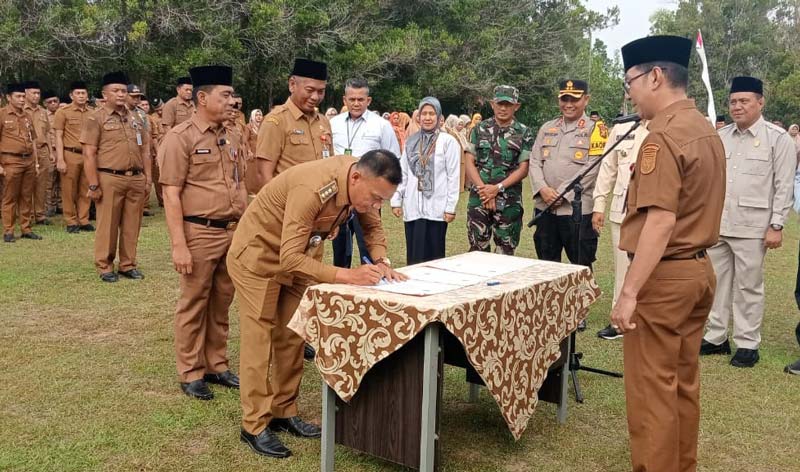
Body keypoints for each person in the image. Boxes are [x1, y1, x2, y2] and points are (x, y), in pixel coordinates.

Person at [229, 151, 405, 458]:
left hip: (300, 262)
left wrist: (381, 260)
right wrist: (346, 276)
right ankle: (254, 425)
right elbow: (288, 256)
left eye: (383, 201)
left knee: (292, 336)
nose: (376, 206)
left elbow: (373, 227)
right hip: (259, 260)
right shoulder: (313, 188)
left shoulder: (362, 188)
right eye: (376, 198)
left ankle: (284, 412)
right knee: (259, 340)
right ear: (355, 178)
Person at [611, 35, 725, 472]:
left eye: (631, 82)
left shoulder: (662, 138)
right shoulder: (703, 129)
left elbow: (659, 222)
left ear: (655, 77)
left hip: (665, 278)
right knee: (681, 384)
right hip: (697, 272)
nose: (630, 93)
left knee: (651, 392)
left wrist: (628, 292)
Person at [158, 65, 247, 400]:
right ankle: (191, 371)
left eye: (232, 94)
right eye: (225, 95)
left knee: (222, 300)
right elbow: (170, 193)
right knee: (194, 301)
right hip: (199, 232)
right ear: (202, 97)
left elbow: (240, 183)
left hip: (232, 231)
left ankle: (217, 364)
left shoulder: (232, 134)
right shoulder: (179, 138)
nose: (232, 101)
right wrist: (179, 246)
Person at [699, 76, 796, 368]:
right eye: (733, 102)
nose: (737, 107)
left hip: (754, 226)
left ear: (760, 102)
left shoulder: (777, 139)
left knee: (748, 287)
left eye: (744, 101)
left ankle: (747, 343)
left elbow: (783, 185)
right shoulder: (720, 136)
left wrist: (776, 225)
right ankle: (716, 337)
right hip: (720, 223)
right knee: (715, 283)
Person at [529, 79, 607, 269]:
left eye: (574, 99)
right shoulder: (547, 127)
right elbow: (534, 161)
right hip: (545, 208)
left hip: (576, 211)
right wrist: (543, 189)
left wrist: (562, 194)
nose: (568, 104)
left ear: (586, 99)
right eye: (564, 99)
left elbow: (593, 166)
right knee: (546, 266)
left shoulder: (596, 129)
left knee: (580, 267)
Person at [81, 71, 151, 283]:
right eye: (116, 91)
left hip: (135, 177)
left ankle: (128, 264)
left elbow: (146, 149)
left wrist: (148, 178)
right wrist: (93, 184)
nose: (121, 94)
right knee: (108, 224)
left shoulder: (137, 117)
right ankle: (105, 265)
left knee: (132, 224)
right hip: (109, 177)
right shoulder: (96, 118)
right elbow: (89, 153)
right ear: (105, 94)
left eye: (123, 90)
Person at [329, 77, 400, 268]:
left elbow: (393, 161)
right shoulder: (333, 124)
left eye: (361, 99)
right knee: (340, 248)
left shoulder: (381, 125)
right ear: (344, 100)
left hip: (368, 196)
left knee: (368, 244)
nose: (356, 103)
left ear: (368, 101)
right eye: (352, 99)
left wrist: (394, 198)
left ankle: (370, 284)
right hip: (340, 194)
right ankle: (341, 285)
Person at [592, 112, 650, 341]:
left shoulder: (669, 125)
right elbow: (608, 169)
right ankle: (619, 320)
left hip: (654, 210)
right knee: (622, 267)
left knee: (654, 266)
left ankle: (648, 319)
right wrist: (599, 205)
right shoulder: (623, 128)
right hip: (622, 209)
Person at [391, 97, 460, 264]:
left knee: (434, 256)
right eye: (424, 114)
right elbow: (403, 173)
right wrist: (396, 200)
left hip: (437, 207)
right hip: (414, 206)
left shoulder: (448, 142)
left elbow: (453, 176)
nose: (427, 118)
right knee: (414, 255)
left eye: (432, 114)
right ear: (418, 117)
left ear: (438, 117)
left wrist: (450, 207)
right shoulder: (411, 141)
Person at [465, 85, 532, 255]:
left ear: (516, 106)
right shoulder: (479, 130)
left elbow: (523, 168)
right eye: (499, 104)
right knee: (477, 251)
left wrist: (496, 188)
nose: (503, 108)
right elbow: (469, 161)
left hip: (509, 201)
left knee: (505, 252)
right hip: (479, 199)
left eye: (508, 105)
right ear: (492, 104)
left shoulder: (524, 133)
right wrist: (484, 191)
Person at [252, 58, 332, 189]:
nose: (315, 97)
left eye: (321, 91)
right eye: (310, 90)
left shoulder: (323, 122)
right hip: (288, 205)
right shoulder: (276, 121)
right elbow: (263, 175)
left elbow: (330, 165)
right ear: (292, 85)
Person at [1, 83, 41, 242]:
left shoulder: (27, 116)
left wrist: (36, 163)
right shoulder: (2, 114)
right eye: (18, 96)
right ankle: (8, 231)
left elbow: (33, 141)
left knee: (26, 196)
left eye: (23, 96)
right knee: (10, 197)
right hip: (10, 161)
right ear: (8, 97)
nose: (21, 99)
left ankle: (26, 228)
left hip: (29, 160)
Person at [54, 81, 93, 233]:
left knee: (86, 188)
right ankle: (71, 221)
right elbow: (58, 136)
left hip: (88, 155)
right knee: (69, 189)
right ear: (71, 95)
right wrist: (60, 159)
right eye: (78, 93)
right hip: (70, 154)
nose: (81, 96)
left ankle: (83, 219)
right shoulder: (63, 112)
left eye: (84, 93)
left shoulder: (92, 113)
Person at [22, 82, 53, 226]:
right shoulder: (21, 109)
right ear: (26, 93)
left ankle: (40, 215)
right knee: (27, 184)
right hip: (26, 151)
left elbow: (47, 132)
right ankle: (25, 215)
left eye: (38, 93)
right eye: (33, 93)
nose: (36, 96)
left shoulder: (42, 111)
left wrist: (51, 152)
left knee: (42, 184)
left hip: (43, 150)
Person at [125, 84, 153, 216]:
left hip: (139, 151)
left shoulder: (141, 114)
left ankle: (139, 210)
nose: (137, 100)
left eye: (138, 97)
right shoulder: (121, 112)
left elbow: (145, 135)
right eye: (133, 96)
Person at [43, 90, 61, 217]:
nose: (53, 104)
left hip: (62, 150)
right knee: (50, 180)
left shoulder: (63, 114)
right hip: (50, 150)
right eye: (50, 102)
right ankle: (49, 206)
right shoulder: (43, 115)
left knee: (62, 181)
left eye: (56, 101)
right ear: (45, 104)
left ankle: (60, 205)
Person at [444, 114, 469, 191]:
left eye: (462, 125)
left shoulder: (461, 133)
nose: (461, 126)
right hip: (455, 154)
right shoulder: (452, 133)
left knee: (461, 170)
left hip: (462, 153)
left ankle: (461, 187)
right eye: (459, 124)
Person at [243, 108, 263, 194]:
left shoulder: (263, 126)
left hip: (261, 153)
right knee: (251, 173)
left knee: (260, 172)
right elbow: (245, 140)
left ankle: (259, 190)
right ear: (253, 116)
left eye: (260, 115)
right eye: (256, 115)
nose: (258, 117)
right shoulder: (248, 126)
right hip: (252, 153)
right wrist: (249, 151)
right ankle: (250, 191)